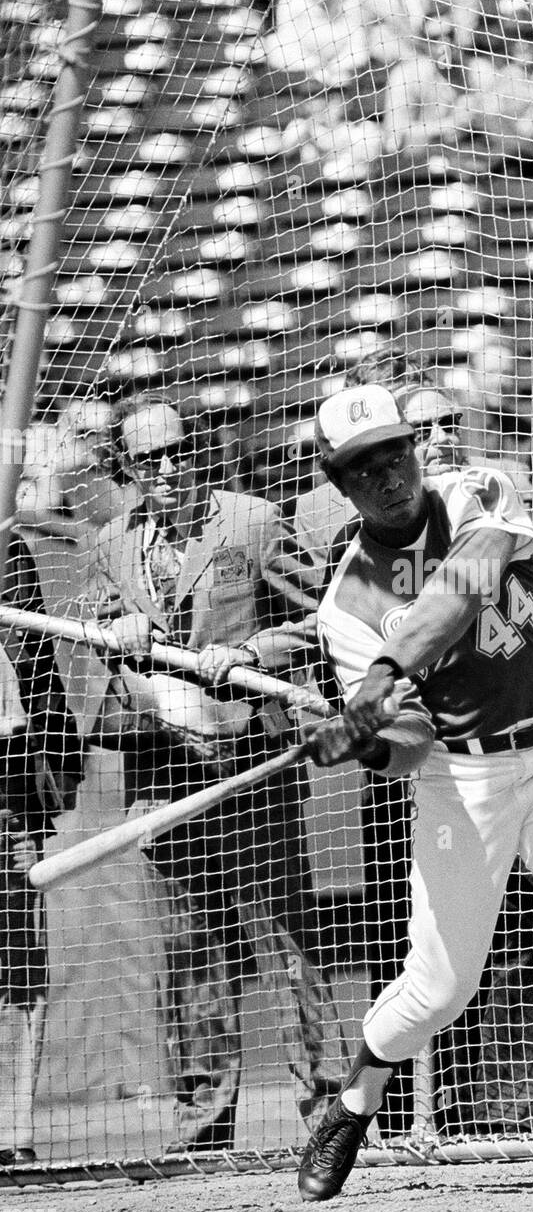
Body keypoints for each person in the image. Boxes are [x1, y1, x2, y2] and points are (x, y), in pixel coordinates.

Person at [296, 383, 533, 1200]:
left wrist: (386, 671)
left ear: (416, 448)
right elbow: (415, 745)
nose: (389, 476)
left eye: (395, 453)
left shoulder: (478, 489)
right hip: (465, 778)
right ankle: (354, 1101)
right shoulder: (345, 608)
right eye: (363, 468)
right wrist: (366, 742)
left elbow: (465, 586)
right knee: (442, 985)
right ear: (339, 484)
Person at [84, 391, 348, 1151]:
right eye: (152, 456)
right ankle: (203, 1123)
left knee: (284, 943)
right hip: (164, 771)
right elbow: (98, 637)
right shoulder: (108, 545)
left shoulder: (252, 521)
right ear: (128, 468)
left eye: (180, 450)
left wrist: (250, 654)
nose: (170, 466)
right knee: (191, 948)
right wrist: (115, 634)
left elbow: (318, 620)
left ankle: (326, 1112)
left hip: (251, 762)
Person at [0, 532, 82, 1164]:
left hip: (8, 802)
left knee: (23, 974)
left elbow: (38, 668)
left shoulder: (10, 552)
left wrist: (50, 776)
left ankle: (16, 1135)